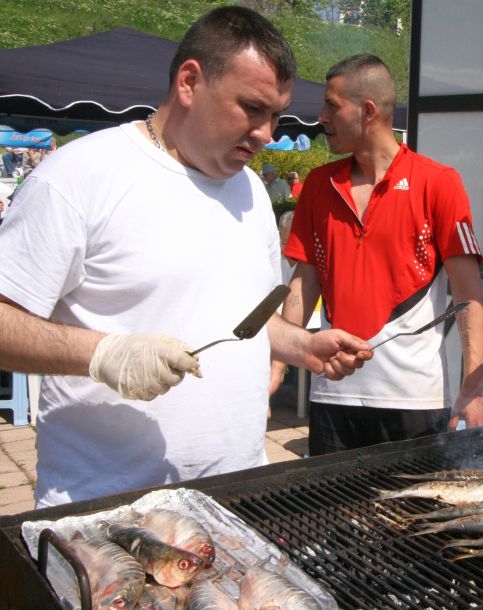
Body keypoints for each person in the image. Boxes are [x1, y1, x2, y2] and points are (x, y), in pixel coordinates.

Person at [0, 6, 371, 508]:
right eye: (252, 108)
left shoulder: (252, 193)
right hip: (107, 509)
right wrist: (105, 354)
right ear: (190, 82)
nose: (268, 132)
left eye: (276, 114)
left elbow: (243, 321)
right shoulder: (78, 176)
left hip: (235, 497)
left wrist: (301, 346)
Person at [279, 53, 483, 456]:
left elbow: (468, 293)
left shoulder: (439, 182)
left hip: (414, 400)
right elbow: (305, 282)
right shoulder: (319, 185)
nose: (321, 116)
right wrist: (277, 363)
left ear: (368, 111)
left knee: (412, 519)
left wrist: (473, 387)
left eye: (332, 105)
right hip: (332, 395)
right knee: (331, 516)